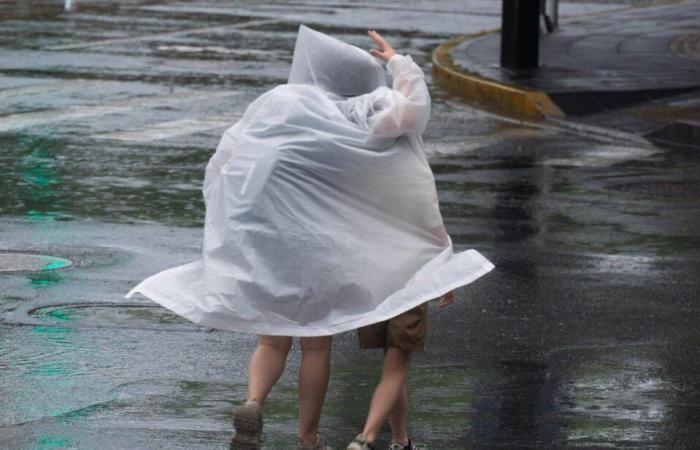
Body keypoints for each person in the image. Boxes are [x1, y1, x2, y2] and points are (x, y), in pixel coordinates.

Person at [125, 25, 494, 450]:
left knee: (271, 335)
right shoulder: (363, 110)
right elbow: (414, 112)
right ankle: (308, 439)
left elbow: (225, 158)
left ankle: (253, 401)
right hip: (317, 245)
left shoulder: (278, 102)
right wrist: (398, 63)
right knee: (315, 345)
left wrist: (229, 220)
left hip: (267, 237)